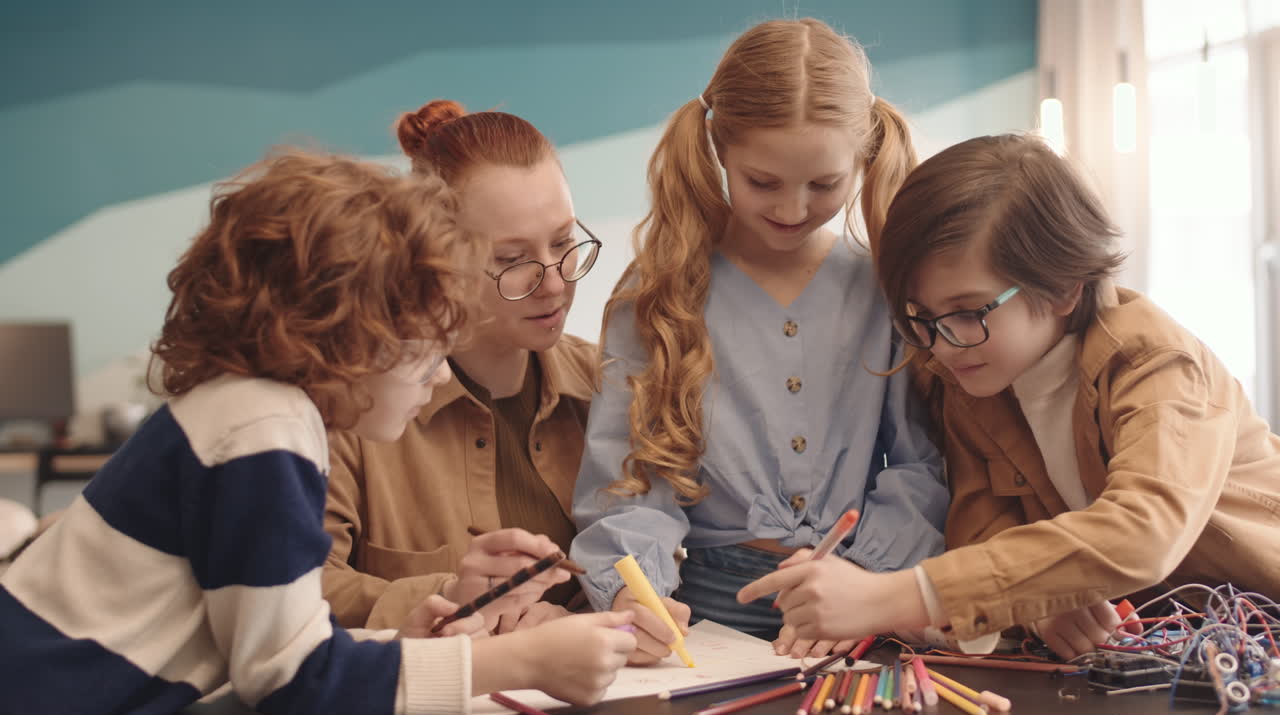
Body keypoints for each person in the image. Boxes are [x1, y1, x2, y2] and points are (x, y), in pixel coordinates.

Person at [0, 149, 635, 715]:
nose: (441, 370)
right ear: (350, 332)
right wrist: (524, 662)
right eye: (429, 344)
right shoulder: (263, 433)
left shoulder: (250, 412)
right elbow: (291, 682)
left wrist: (402, 643)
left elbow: (277, 652)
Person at [739, 133, 1280, 661]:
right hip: (1163, 652)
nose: (942, 343)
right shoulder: (973, 377)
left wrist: (891, 597)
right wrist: (1035, 605)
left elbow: (1144, 529)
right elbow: (981, 525)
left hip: (1260, 627)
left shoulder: (1156, 362)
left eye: (969, 311)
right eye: (920, 316)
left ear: (1065, 285)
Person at [570, 17, 949, 665]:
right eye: (763, 182)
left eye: (824, 185)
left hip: (860, 593)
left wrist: (862, 580)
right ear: (718, 151)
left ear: (861, 159)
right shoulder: (658, 293)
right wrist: (632, 593)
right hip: (702, 610)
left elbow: (922, 466)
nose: (793, 209)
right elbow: (630, 482)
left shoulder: (884, 285)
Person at [322, 100, 603, 634]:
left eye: (564, 242)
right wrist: (454, 600)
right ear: (438, 257)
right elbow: (299, 588)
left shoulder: (605, 383)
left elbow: (647, 551)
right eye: (512, 260)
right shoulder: (356, 404)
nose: (554, 283)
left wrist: (626, 610)